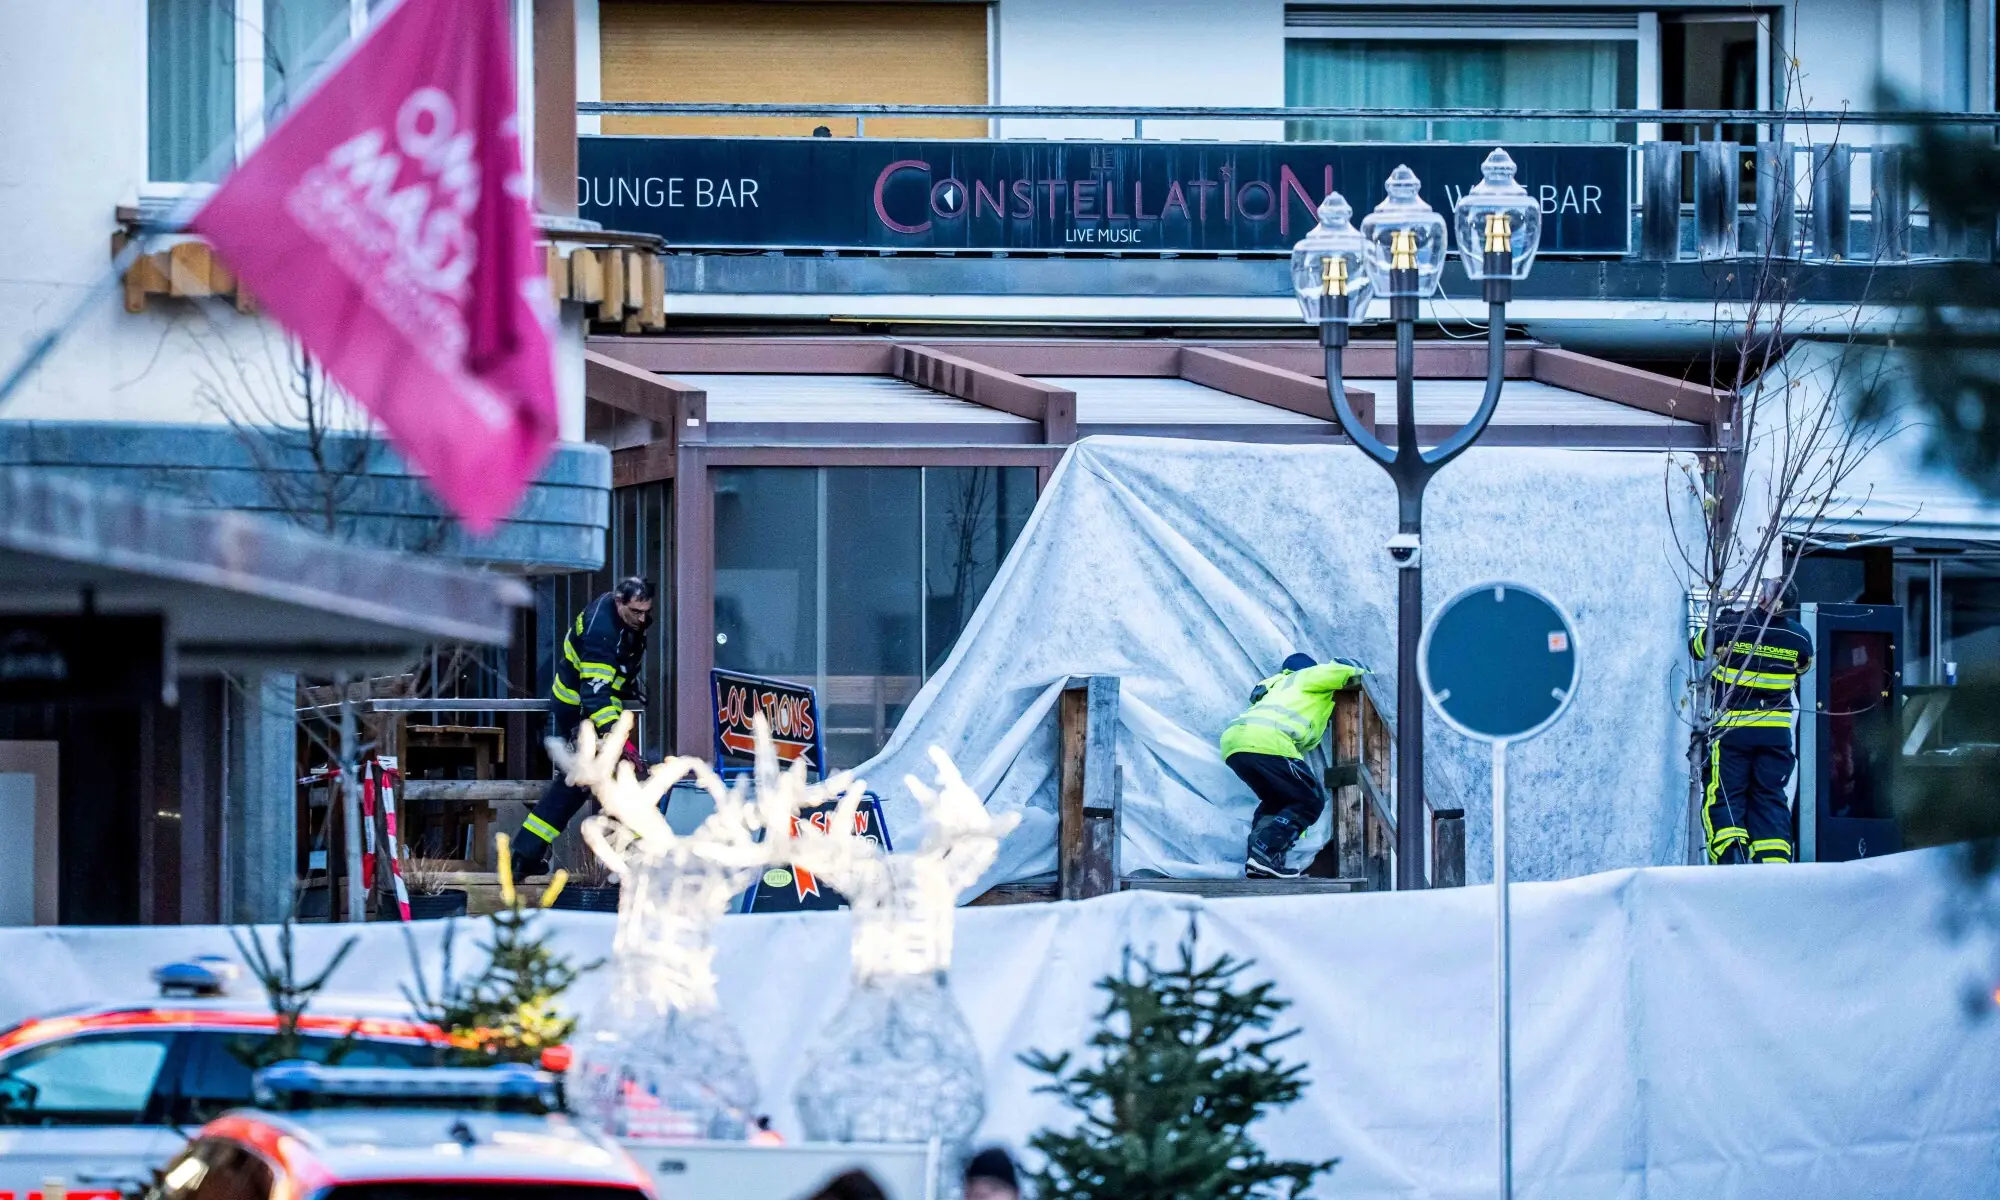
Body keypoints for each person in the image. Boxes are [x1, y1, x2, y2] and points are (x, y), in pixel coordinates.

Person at [511, 577, 654, 879]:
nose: (642, 619)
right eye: (635, 612)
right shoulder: (600, 631)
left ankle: (525, 854)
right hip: (580, 712)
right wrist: (618, 738)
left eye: (646, 612)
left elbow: (613, 673)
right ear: (619, 601)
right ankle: (623, 862)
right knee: (584, 784)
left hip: (591, 708)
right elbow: (595, 694)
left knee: (576, 786)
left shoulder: (617, 616)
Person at [1690, 578, 1814, 864]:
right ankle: (1774, 866)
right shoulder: (1800, 637)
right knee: (1770, 797)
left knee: (1725, 794)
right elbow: (1803, 666)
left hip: (1732, 731)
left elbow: (1696, 647)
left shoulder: (1732, 626)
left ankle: (1732, 860)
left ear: (1762, 599)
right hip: (1775, 733)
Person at [1220, 652, 1367, 879]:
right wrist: (1366, 671)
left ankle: (1261, 861)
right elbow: (1343, 670)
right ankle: (1265, 852)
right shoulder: (1306, 676)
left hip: (1235, 744)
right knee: (1309, 799)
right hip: (1268, 740)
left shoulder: (1275, 684)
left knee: (1277, 801)